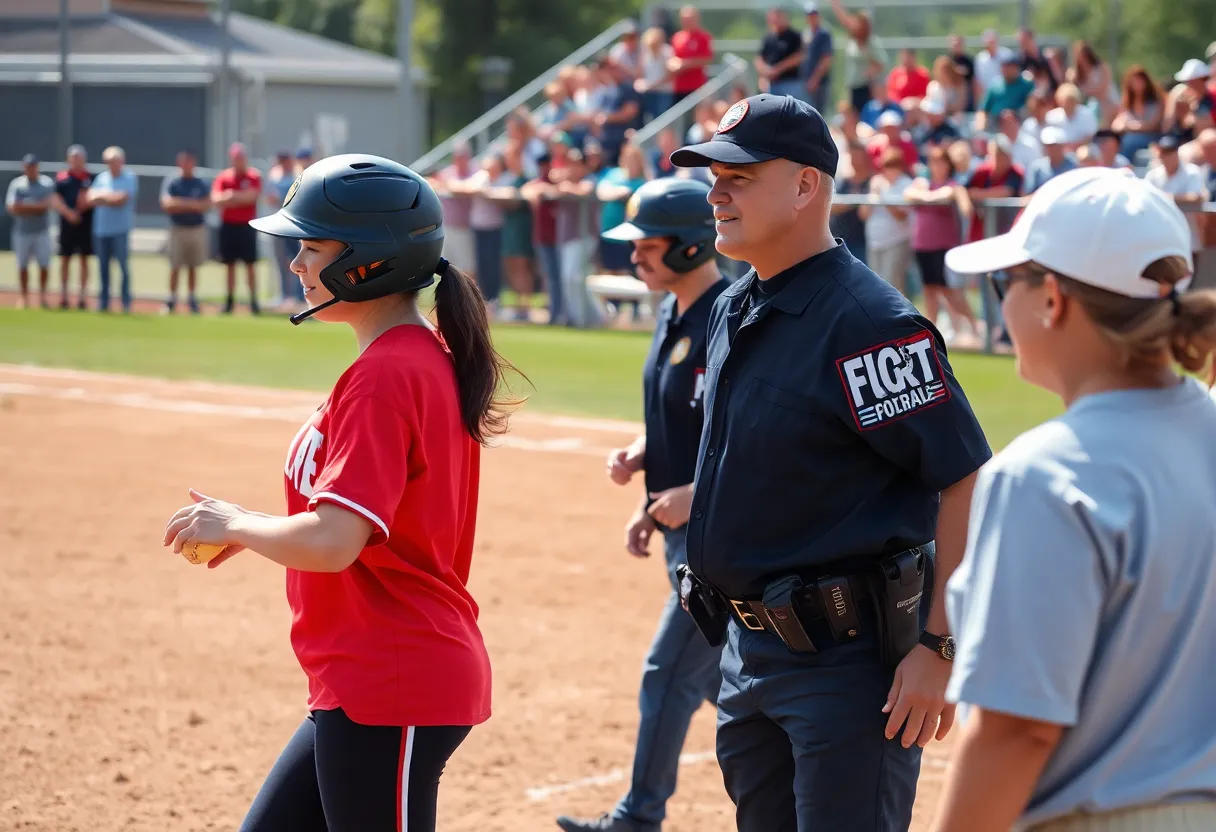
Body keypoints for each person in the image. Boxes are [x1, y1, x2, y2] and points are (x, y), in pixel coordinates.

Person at [161, 154, 520, 831]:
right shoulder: (404, 358)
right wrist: (246, 520)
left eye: (312, 246)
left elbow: (332, 542)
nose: (295, 263)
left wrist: (237, 527)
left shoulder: (389, 372)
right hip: (363, 675)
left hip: (394, 677)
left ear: (367, 261)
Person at [667, 93, 992, 831]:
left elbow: (965, 477)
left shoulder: (870, 325)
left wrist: (939, 645)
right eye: (712, 174)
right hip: (749, 658)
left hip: (847, 671)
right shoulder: (733, 305)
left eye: (739, 177)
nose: (715, 190)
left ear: (807, 185)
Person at [935, 165, 1216, 831]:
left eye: (1008, 283)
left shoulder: (1045, 474)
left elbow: (1015, 731)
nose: (1002, 305)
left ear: (1053, 298)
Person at [556, 178, 727, 832]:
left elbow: (750, 437)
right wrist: (643, 462)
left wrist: (695, 496)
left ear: (688, 247)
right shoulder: (673, 312)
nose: (634, 258)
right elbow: (683, 418)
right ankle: (793, 797)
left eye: (647, 246)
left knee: (670, 671)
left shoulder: (728, 316)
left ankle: (638, 818)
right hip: (681, 528)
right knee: (723, 685)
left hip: (716, 537)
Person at [211, 142, 263, 315]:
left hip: (247, 225)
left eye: (241, 158)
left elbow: (251, 197)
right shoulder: (224, 177)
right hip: (229, 226)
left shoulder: (253, 176)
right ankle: (229, 302)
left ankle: (254, 302)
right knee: (230, 265)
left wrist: (232, 197)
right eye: (235, 158)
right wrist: (233, 197)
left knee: (250, 265)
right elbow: (216, 199)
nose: (238, 161)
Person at [86, 146, 138, 314]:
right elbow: (90, 198)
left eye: (113, 161)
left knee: (123, 267)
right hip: (101, 230)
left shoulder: (129, 177)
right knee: (102, 268)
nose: (110, 164)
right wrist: (109, 196)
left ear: (121, 161)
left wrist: (102, 197)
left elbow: (121, 199)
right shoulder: (101, 178)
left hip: (120, 230)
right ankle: (103, 302)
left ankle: (125, 303)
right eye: (107, 162)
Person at [160, 149, 212, 315]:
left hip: (196, 229)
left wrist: (181, 204)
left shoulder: (200, 182)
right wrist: (192, 204)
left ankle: (192, 298)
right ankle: (171, 299)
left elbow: (206, 204)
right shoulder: (173, 182)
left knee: (193, 265)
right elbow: (167, 204)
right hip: (178, 229)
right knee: (175, 264)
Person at [5, 153, 55, 309]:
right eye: (28, 166)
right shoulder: (17, 184)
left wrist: (26, 206)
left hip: (42, 231)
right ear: (24, 167)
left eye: (33, 166)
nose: (31, 169)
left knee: (44, 265)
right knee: (22, 266)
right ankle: (23, 297)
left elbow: (47, 205)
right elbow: (13, 207)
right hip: (22, 232)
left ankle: (43, 297)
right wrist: (36, 206)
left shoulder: (46, 183)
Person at [53, 144, 94, 310]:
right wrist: (69, 214)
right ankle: (63, 295)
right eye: (73, 158)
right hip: (67, 225)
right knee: (65, 258)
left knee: (84, 259)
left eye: (79, 158)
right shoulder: (62, 178)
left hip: (85, 225)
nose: (76, 161)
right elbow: (56, 199)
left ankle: (82, 296)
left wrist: (79, 210)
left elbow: (90, 197)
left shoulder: (90, 178)